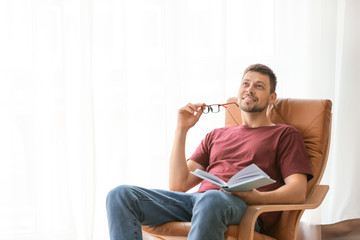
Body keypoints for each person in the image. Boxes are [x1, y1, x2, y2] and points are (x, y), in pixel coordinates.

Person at [106, 64, 313, 240]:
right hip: (200, 201)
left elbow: (297, 190)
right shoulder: (216, 135)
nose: (250, 89)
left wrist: (257, 198)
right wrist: (182, 130)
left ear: (271, 97)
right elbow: (178, 184)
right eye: (245, 84)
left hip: (244, 208)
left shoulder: (285, 134)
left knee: (211, 198)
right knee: (120, 196)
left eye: (259, 86)